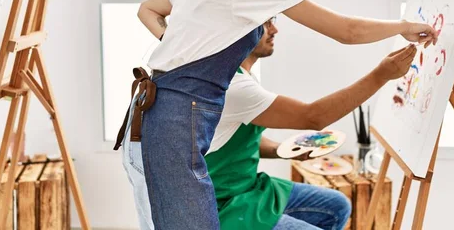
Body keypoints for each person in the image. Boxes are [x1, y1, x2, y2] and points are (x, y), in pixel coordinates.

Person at [116, 0, 437, 229]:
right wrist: (403, 27)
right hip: (175, 121)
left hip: (149, 117)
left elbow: (148, 9)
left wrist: (182, 50)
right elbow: (346, 31)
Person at [122, 17, 416, 229]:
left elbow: (231, 138)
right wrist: (381, 75)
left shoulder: (240, 76)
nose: (275, 29)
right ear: (241, 34)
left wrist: (282, 150)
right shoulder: (235, 88)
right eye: (267, 23)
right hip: (228, 204)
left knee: (338, 206)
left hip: (251, 190)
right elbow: (313, 116)